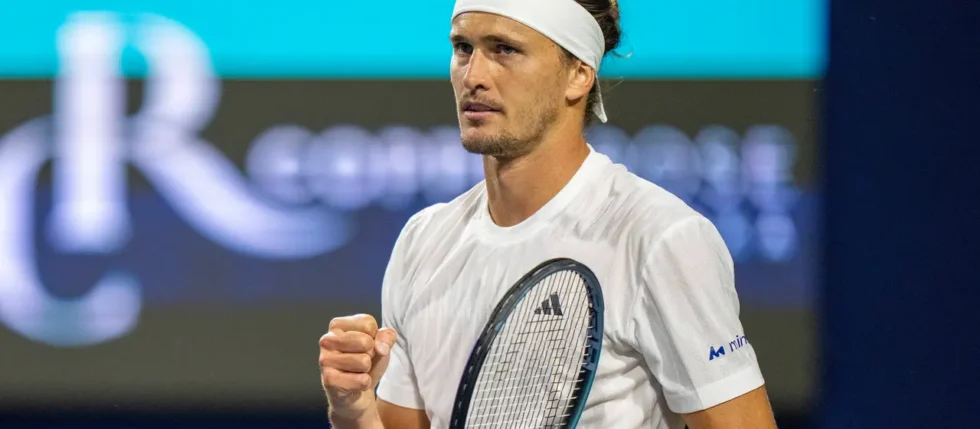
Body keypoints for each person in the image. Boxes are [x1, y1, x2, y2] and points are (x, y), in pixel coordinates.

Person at [318, 0, 778, 427]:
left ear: (578, 75)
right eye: (463, 48)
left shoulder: (660, 238)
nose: (474, 75)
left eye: (505, 49)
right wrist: (354, 410)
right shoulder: (422, 241)